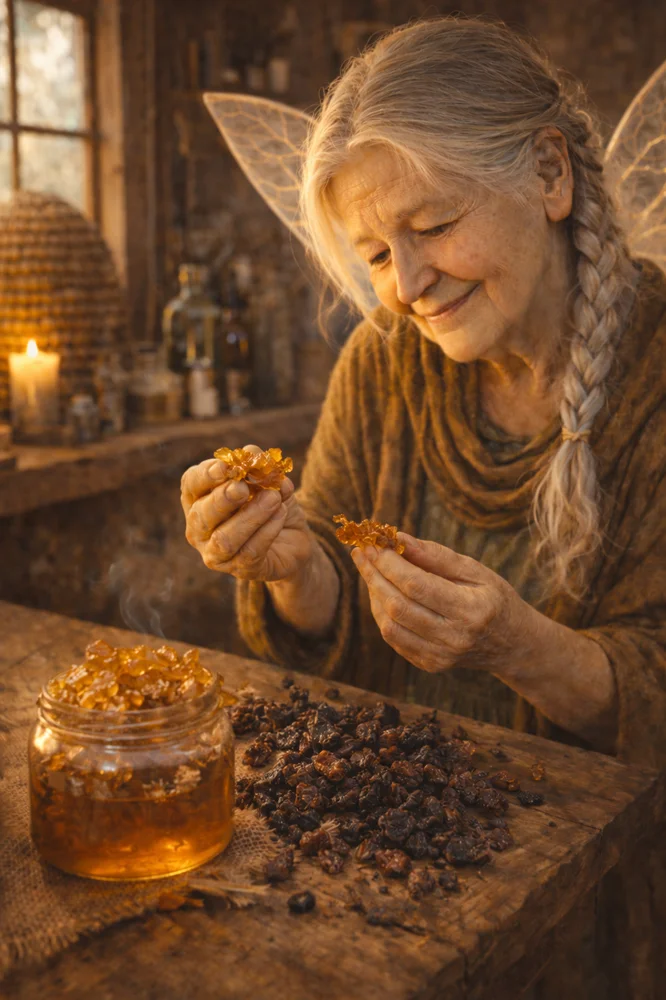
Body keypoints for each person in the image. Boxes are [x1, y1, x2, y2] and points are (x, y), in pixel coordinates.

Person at [182, 19, 665, 995]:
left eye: (435, 226)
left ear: (550, 174)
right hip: (396, 888)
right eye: (374, 253)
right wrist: (295, 570)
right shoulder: (383, 364)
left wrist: (519, 645)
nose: (405, 286)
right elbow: (329, 603)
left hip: (603, 904)